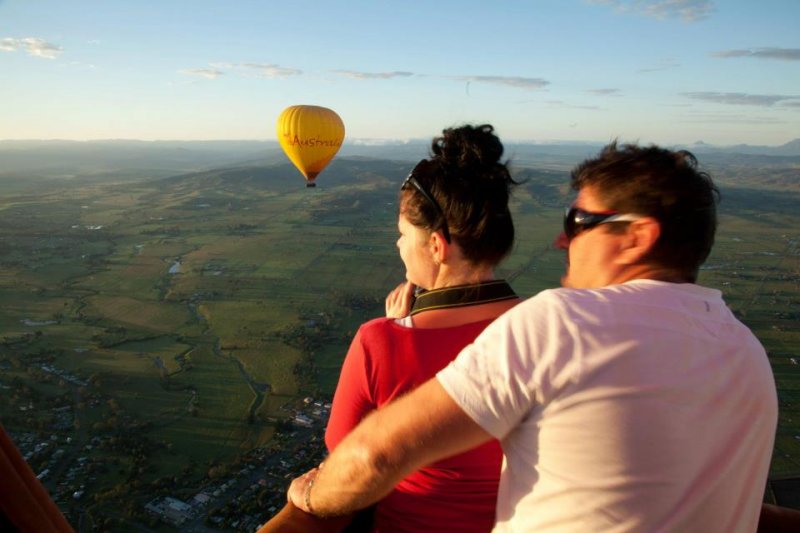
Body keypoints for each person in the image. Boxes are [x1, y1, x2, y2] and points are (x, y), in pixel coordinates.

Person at [286, 142, 779, 532]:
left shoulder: (564, 324)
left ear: (636, 237)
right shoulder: (746, 351)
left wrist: (307, 497)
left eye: (579, 222)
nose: (562, 239)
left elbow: (373, 454)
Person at [261, 124, 521, 533]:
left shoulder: (380, 341)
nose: (398, 246)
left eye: (403, 235)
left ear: (436, 246)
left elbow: (344, 453)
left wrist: (392, 329)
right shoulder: (544, 330)